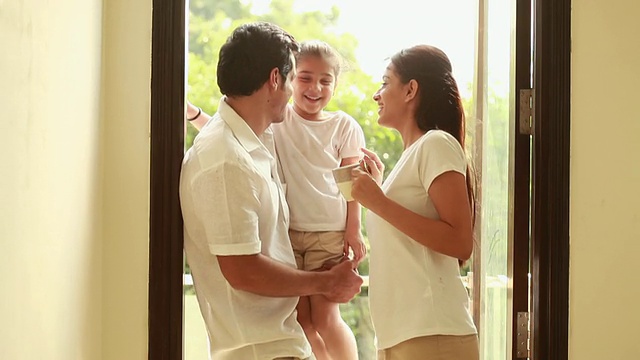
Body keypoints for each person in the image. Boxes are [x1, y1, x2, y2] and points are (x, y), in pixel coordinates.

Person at [179, 22, 362, 360]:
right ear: (275, 79)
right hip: (261, 351)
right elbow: (242, 269)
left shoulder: (254, 142)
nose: (297, 91)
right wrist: (324, 282)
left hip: (281, 346)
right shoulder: (225, 159)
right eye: (295, 78)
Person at [350, 45, 480, 360]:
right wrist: (381, 192)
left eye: (384, 83)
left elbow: (460, 242)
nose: (376, 95)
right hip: (403, 337)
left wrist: (378, 201)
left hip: (431, 336)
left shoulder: (436, 144)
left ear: (411, 90)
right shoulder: (414, 155)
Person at [272, 40, 366, 360]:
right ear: (290, 78)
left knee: (326, 318)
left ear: (335, 85)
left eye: (326, 80)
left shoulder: (343, 125)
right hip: (287, 235)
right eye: (306, 77)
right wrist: (192, 115)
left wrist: (354, 230)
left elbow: (353, 184)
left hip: (329, 233)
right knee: (301, 320)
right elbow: (229, 131)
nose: (315, 87)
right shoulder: (277, 118)